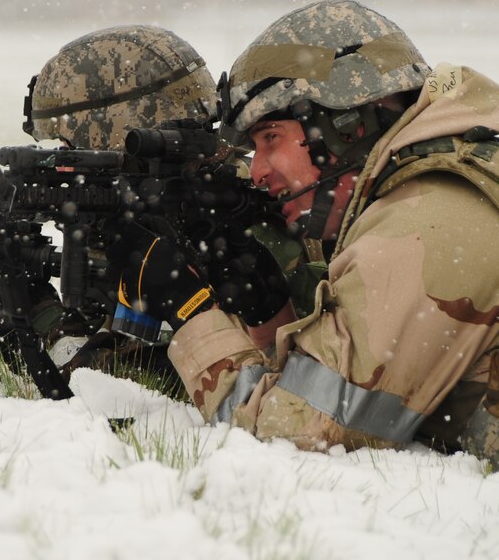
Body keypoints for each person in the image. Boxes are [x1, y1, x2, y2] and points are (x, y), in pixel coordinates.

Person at [109, 0, 499, 521]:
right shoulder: (442, 181)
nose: (259, 171)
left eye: (271, 139)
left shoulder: (426, 223)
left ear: (345, 127)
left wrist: (191, 310)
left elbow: (298, 434)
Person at [23, 24, 307, 384]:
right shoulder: (209, 198)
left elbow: (148, 379)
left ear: (120, 135)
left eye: (68, 147)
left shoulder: (233, 224)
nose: (63, 165)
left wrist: (41, 316)